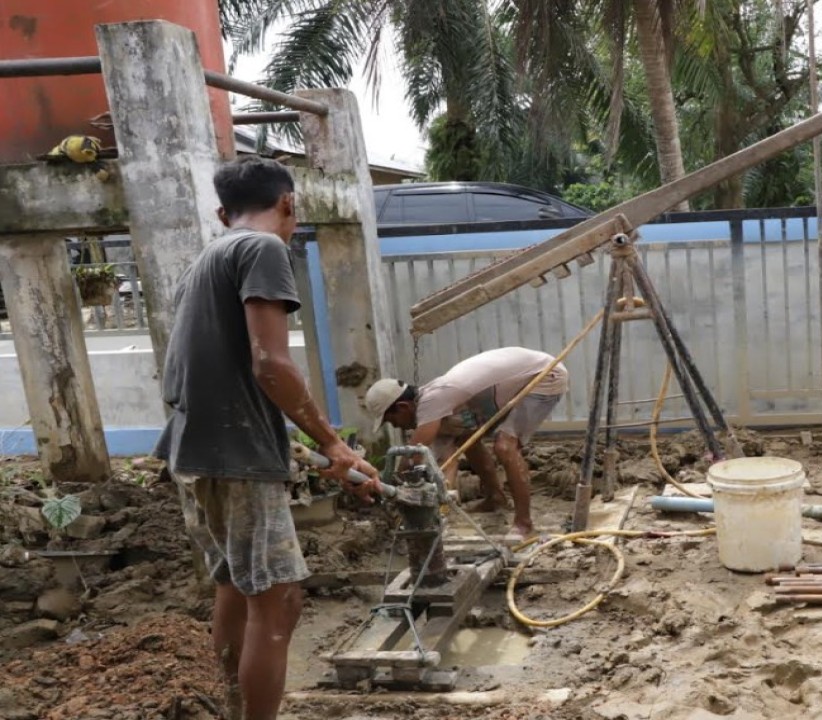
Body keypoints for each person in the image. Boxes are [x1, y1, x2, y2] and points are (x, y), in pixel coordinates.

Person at [154, 155, 383, 720]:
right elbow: (271, 365)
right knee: (278, 602)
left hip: (195, 449)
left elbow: (217, 373)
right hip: (236, 457)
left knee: (236, 586)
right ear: (287, 204)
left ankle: (231, 706)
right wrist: (333, 443)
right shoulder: (263, 249)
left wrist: (301, 447)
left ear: (221, 210)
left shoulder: (205, 258)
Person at [365, 347, 568, 541]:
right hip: (518, 378)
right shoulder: (435, 404)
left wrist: (389, 490)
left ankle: (524, 524)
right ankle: (495, 498)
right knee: (464, 436)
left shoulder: (433, 399)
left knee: (505, 447)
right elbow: (446, 460)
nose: (397, 427)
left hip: (545, 376)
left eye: (392, 421)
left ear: (402, 407)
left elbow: (412, 456)